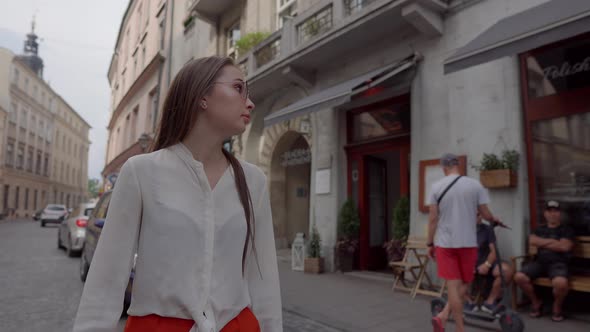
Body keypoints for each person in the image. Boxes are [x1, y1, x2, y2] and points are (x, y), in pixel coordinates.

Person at [73, 56, 282, 332]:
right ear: (202, 97)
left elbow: (263, 279)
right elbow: (107, 279)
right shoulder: (141, 172)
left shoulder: (252, 180)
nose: (250, 102)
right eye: (239, 88)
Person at [427, 153, 500, 332]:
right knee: (466, 282)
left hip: (445, 244)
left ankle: (447, 319)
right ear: (458, 166)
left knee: (453, 285)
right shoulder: (475, 185)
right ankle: (450, 322)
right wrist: (494, 219)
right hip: (468, 244)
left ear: (444, 168)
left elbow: (433, 219)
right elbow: (485, 214)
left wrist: (430, 243)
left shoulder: (436, 187)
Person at [514, 200, 574, 323]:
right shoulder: (539, 230)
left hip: (558, 263)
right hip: (540, 263)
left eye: (555, 211)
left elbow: (565, 247)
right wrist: (555, 243)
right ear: (545, 214)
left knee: (561, 283)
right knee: (519, 277)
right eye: (549, 211)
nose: (552, 214)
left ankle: (557, 306)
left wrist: (542, 242)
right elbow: (532, 241)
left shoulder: (567, 230)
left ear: (559, 214)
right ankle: (536, 302)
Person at [464, 213, 514, 313]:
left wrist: (487, 264)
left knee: (507, 271)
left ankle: (489, 303)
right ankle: (468, 302)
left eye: (478, 215)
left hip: (485, 262)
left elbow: (493, 251)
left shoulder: (487, 229)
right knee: (453, 273)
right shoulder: (461, 230)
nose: (476, 217)